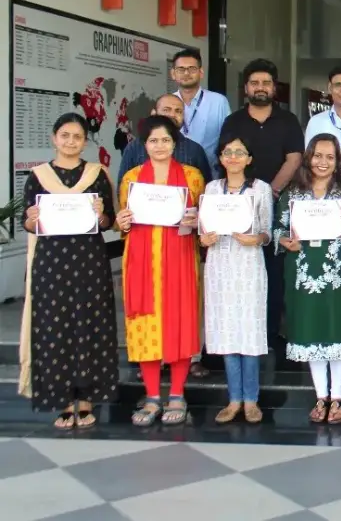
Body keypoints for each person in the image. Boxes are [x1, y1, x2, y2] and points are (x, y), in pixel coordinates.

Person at [19, 113, 117, 429]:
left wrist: (101, 215)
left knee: (90, 326)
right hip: (51, 263)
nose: (71, 141)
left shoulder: (97, 175)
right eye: (65, 135)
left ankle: (86, 400)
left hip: (89, 260)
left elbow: (109, 223)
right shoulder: (38, 176)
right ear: (54, 138)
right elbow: (28, 222)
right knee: (54, 328)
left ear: (85, 141)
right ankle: (61, 401)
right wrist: (32, 218)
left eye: (77, 136)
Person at [117, 115, 205, 426]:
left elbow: (202, 219)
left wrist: (196, 221)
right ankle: (153, 395)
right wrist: (122, 221)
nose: (159, 146)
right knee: (145, 324)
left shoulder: (193, 178)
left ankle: (178, 393)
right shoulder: (131, 178)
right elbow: (123, 220)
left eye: (165, 140)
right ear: (145, 144)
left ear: (175, 143)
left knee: (180, 322)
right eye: (153, 141)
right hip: (142, 260)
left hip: (180, 258)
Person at [274, 134, 341, 425]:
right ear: (308, 157)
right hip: (303, 270)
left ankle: (337, 398)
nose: (323, 162)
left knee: (337, 330)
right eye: (317, 156)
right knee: (312, 330)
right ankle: (320, 396)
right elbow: (278, 228)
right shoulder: (293, 192)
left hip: (340, 273)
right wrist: (284, 240)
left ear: (338, 160)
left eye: (330, 157)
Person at [219, 59, 305, 347]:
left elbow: (294, 158)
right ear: (246, 87)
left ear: (274, 87)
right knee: (243, 267)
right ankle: (242, 331)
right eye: (255, 82)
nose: (260, 87)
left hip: (279, 203)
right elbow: (228, 157)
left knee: (276, 268)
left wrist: (270, 192)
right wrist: (248, 194)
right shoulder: (234, 121)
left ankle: (272, 333)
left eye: (266, 83)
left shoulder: (288, 120)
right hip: (239, 204)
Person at [200, 133, 273, 424]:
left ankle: (252, 399)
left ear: (249, 158)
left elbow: (268, 231)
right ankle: (234, 399)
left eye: (240, 152)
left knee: (250, 331)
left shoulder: (260, 189)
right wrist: (204, 238)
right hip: (219, 265)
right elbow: (202, 230)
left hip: (248, 264)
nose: (233, 157)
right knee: (226, 329)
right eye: (228, 152)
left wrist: (256, 238)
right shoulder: (212, 189)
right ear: (220, 158)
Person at [117, 93, 213, 185]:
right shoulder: (134, 147)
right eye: (167, 110)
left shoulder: (195, 150)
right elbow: (122, 188)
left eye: (178, 111)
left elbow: (206, 193)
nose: (172, 115)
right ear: (153, 113)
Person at [170, 48, 231, 173]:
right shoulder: (167, 103)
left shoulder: (218, 101)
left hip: (210, 174)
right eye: (181, 69)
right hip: (173, 174)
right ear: (173, 74)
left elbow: (229, 140)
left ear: (201, 72)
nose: (186, 73)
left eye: (192, 69)